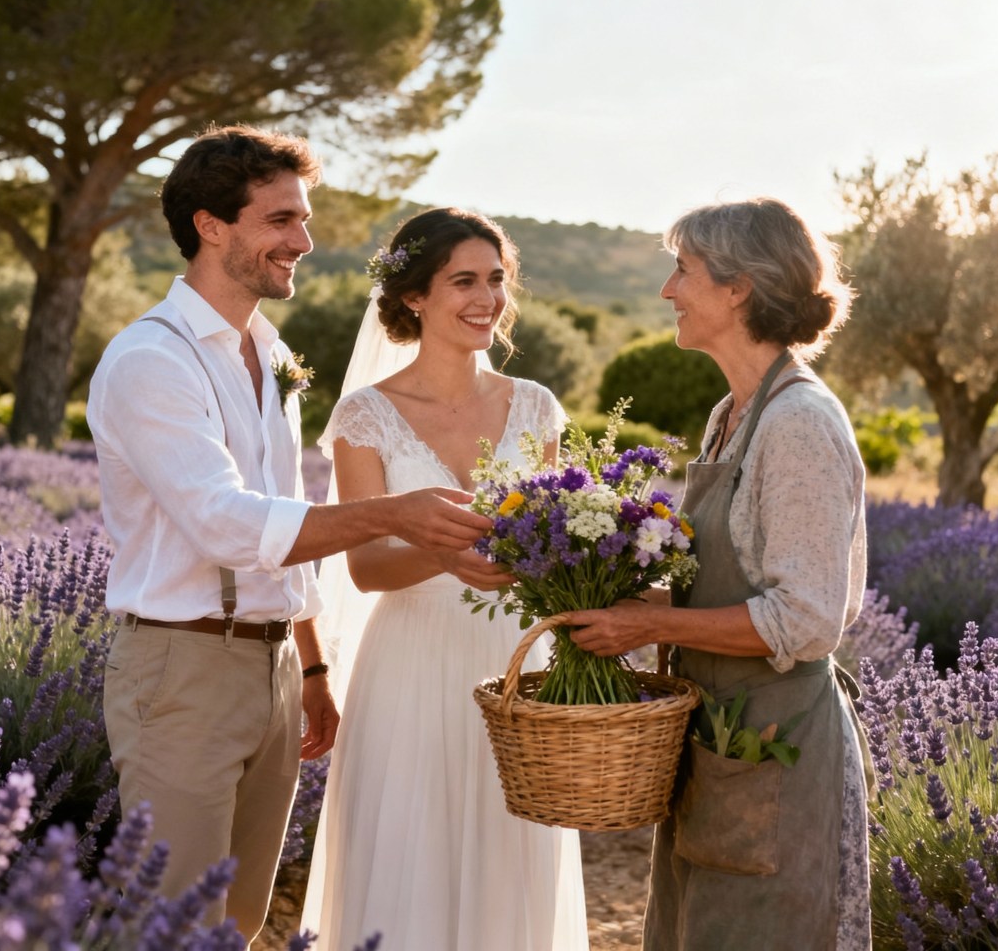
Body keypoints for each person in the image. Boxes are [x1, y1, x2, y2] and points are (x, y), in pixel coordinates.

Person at [86, 126, 492, 945]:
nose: (303, 242)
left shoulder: (269, 357)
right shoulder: (149, 362)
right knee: (174, 928)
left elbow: (280, 510)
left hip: (270, 668)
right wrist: (392, 514)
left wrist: (309, 664)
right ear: (210, 226)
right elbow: (225, 521)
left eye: (303, 221)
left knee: (233, 926)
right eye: (280, 221)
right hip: (180, 670)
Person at [568, 198, 872, 950]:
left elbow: (803, 620)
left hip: (776, 751)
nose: (669, 290)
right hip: (717, 742)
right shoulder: (730, 413)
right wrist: (608, 592)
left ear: (738, 287)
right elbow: (731, 588)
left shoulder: (798, 423)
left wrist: (650, 623)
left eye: (683, 270)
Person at [299, 207, 589, 951]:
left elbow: (558, 547)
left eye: (496, 279)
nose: (486, 298)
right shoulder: (367, 415)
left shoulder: (535, 406)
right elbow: (364, 568)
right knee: (410, 866)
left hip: (518, 665)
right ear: (415, 297)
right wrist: (444, 551)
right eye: (463, 280)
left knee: (510, 860)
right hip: (411, 664)